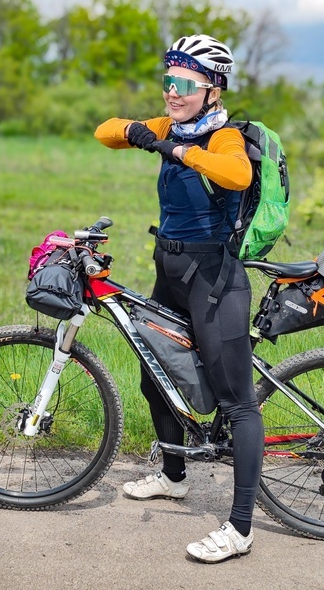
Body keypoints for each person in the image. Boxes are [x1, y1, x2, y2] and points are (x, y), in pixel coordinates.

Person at [94, 34, 264, 563]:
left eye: (182, 84)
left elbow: (238, 175)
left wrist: (179, 150)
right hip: (169, 268)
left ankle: (240, 529)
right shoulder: (174, 123)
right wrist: (139, 133)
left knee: (237, 400)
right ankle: (173, 475)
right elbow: (105, 133)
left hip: (213, 277)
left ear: (212, 89)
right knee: (155, 374)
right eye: (167, 81)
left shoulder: (225, 136)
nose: (171, 92)